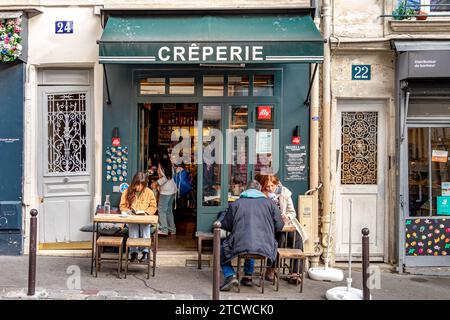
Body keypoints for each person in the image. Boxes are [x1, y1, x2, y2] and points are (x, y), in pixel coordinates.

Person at [219, 180, 284, 291]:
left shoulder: (236, 204)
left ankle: (230, 275)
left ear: (246, 190)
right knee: (252, 244)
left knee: (221, 249)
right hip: (265, 244)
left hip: (240, 243)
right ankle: (248, 276)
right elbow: (279, 226)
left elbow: (226, 225)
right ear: (259, 190)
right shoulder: (271, 204)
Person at [257, 174, 308, 283]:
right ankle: (271, 269)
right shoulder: (262, 194)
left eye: (272, 186)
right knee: (280, 239)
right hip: (271, 225)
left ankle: (295, 272)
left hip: (287, 223)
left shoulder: (284, 193)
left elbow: (292, 212)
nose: (270, 188)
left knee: (297, 239)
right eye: (267, 186)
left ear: (276, 184)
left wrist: (287, 216)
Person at [120, 172, 157, 263]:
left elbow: (153, 206)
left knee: (145, 226)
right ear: (134, 183)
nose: (139, 187)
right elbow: (122, 206)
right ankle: (134, 253)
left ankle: (145, 253)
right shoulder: (127, 191)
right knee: (133, 225)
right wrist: (128, 211)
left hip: (145, 219)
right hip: (132, 219)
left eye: (142, 185)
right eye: (137, 184)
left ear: (145, 185)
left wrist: (146, 213)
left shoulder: (149, 192)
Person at [156, 155, 177, 236]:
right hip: (172, 190)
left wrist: (156, 183)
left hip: (166, 191)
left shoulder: (161, 164)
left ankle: (164, 230)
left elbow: (165, 178)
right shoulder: (170, 164)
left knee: (161, 210)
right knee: (169, 211)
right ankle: (172, 229)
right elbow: (169, 176)